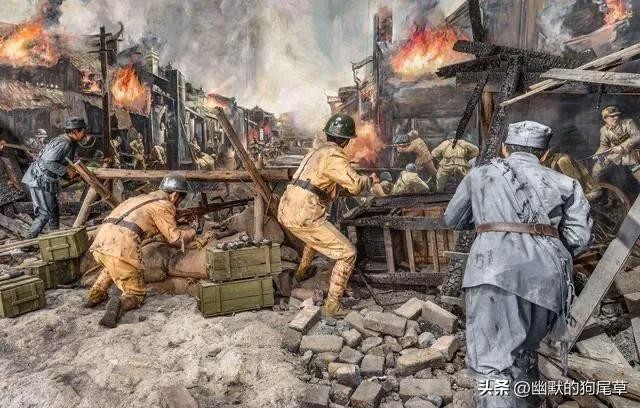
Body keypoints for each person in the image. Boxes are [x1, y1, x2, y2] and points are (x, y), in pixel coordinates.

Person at [444, 121, 592, 407]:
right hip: (547, 279)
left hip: (492, 272)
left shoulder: (480, 175)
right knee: (524, 354)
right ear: (544, 155)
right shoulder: (566, 183)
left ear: (504, 149)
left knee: (492, 364)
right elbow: (579, 238)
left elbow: (453, 219)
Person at [278, 114, 373, 318]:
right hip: (304, 212)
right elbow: (356, 185)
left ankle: (301, 274)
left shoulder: (315, 152)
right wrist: (368, 180)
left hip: (287, 208)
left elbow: (320, 183)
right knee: (348, 253)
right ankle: (332, 306)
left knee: (314, 237)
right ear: (346, 140)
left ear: (328, 134)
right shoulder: (334, 155)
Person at [86, 174, 197, 328]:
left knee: (114, 264)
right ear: (175, 195)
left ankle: (95, 295)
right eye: (181, 198)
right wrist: (193, 230)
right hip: (122, 245)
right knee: (136, 294)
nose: (179, 203)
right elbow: (175, 238)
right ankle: (120, 302)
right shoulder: (163, 205)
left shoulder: (139, 199)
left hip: (101, 243)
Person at [21, 117, 87, 238]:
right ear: (74, 132)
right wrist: (66, 171)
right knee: (44, 214)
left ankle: (54, 237)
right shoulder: (64, 143)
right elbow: (48, 162)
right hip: (39, 180)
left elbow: (60, 163)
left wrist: (70, 176)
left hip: (45, 180)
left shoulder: (69, 141)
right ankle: (27, 241)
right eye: (83, 131)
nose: (85, 135)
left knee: (53, 210)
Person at [592, 106, 640, 179]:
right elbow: (604, 145)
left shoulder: (628, 123)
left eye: (617, 115)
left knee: (638, 172)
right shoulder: (604, 130)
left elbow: (637, 136)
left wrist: (622, 147)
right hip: (614, 155)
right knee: (596, 170)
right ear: (605, 118)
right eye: (612, 116)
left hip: (631, 153)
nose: (616, 118)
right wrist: (599, 153)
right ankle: (594, 184)